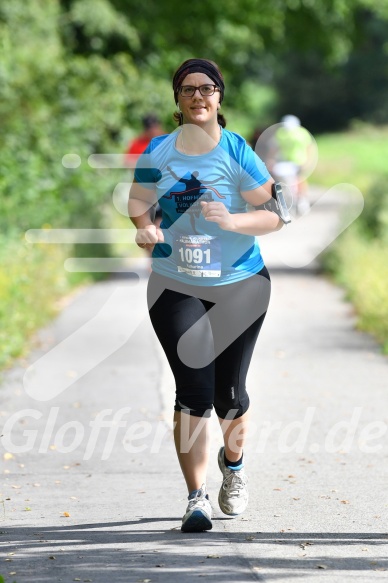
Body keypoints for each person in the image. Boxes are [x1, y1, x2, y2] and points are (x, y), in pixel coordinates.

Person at [128, 58, 285, 533]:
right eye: (188, 89)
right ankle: (195, 498)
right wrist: (146, 230)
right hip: (176, 285)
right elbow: (140, 203)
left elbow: (276, 213)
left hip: (240, 284)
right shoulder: (158, 151)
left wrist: (233, 221)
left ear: (220, 97)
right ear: (177, 100)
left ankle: (232, 467)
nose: (199, 95)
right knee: (193, 391)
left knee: (230, 396)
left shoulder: (237, 151)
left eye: (208, 88)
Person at [271, 115, 313, 215]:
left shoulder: (302, 133)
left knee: (300, 180)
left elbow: (309, 147)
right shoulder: (280, 133)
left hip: (299, 161)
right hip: (285, 162)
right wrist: (272, 159)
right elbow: (275, 147)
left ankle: (302, 201)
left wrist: (308, 161)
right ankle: (288, 201)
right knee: (286, 182)